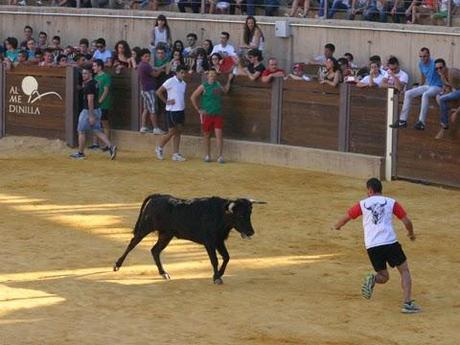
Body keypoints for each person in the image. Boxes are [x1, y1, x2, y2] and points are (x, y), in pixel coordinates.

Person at [332, 177, 421, 314]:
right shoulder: (391, 202)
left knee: (383, 276)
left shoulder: (363, 204)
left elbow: (347, 217)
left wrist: (336, 227)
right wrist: (411, 234)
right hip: (390, 242)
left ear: (370, 190)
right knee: (404, 271)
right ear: (380, 190)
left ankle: (373, 278)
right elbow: (407, 221)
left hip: (372, 245)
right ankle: (407, 303)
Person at [70, 65, 117, 160]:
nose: (83, 75)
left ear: (90, 74)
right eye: (82, 73)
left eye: (85, 73)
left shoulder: (89, 85)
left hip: (88, 111)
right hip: (97, 109)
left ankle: (80, 153)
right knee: (97, 130)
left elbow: (90, 100)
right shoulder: (95, 82)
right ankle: (110, 146)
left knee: (81, 131)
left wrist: (91, 115)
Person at [390, 47, 442, 130]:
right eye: (420, 56)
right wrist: (420, 87)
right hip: (429, 86)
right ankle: (402, 120)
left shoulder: (434, 63)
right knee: (408, 93)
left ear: (429, 55)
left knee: (425, 95)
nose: (422, 58)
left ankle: (421, 122)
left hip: (438, 86)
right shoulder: (420, 64)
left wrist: (445, 88)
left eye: (424, 56)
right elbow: (423, 75)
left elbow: (442, 74)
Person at [191, 69, 233, 163]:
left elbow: (225, 90)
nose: (212, 76)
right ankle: (207, 155)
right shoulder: (203, 86)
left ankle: (220, 156)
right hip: (207, 114)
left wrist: (229, 80)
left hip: (217, 113)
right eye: (211, 75)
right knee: (206, 135)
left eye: (214, 75)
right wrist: (198, 109)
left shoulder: (217, 84)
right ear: (207, 76)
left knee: (219, 135)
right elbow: (193, 97)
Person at [155, 65, 188, 162]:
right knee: (172, 131)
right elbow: (158, 92)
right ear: (177, 72)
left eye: (184, 73)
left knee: (178, 131)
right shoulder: (170, 81)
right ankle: (159, 147)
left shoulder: (184, 84)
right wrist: (166, 102)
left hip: (180, 110)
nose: (183, 75)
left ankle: (175, 153)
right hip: (172, 110)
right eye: (181, 72)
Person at [138, 49, 165, 135]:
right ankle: (156, 128)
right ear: (141, 57)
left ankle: (143, 127)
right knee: (153, 109)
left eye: (149, 56)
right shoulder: (145, 66)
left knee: (146, 109)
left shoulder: (142, 65)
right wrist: (161, 70)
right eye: (146, 56)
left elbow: (154, 69)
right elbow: (155, 74)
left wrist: (159, 68)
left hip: (145, 90)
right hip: (149, 90)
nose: (148, 58)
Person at [88, 59, 112, 151]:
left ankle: (107, 144)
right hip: (97, 104)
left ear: (100, 67)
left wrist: (100, 101)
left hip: (103, 104)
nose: (93, 68)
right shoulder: (95, 77)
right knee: (96, 124)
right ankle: (95, 143)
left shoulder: (106, 76)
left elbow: (106, 90)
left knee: (104, 123)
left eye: (94, 66)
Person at [434, 59, 460, 139]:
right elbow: (448, 87)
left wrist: (457, 112)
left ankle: (444, 125)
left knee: (442, 99)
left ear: (445, 67)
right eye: (436, 69)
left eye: (440, 67)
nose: (439, 70)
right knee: (439, 97)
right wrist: (445, 90)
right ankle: (453, 110)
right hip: (457, 93)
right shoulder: (442, 76)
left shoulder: (453, 73)